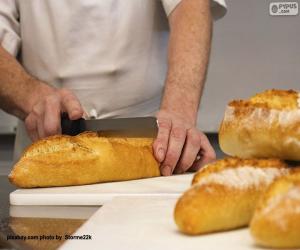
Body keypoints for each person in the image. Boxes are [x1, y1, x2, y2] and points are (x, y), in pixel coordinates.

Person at [0, 0, 226, 176]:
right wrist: (32, 96)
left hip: (155, 148)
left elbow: (190, 5)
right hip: (46, 148)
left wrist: (179, 113)